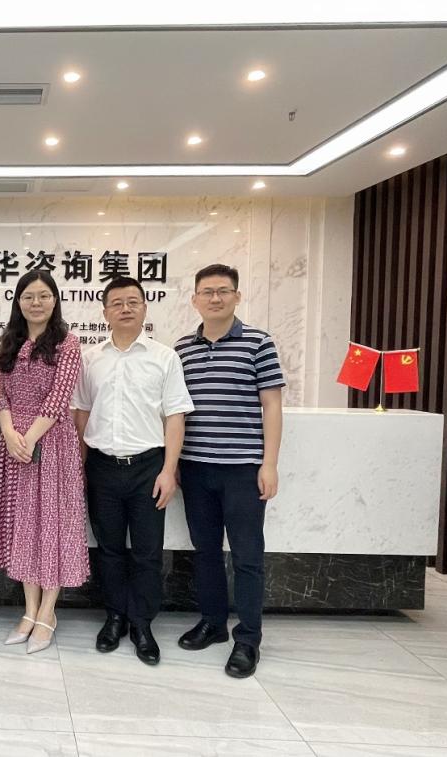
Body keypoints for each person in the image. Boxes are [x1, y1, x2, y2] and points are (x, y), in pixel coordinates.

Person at [73, 276, 194, 666]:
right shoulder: (90, 359)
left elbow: (175, 417)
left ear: (144, 308)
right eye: (117, 303)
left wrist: (169, 470)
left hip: (148, 468)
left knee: (146, 552)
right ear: (104, 312)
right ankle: (114, 617)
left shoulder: (164, 357)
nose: (125, 308)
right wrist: (81, 465)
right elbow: (81, 413)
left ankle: (142, 624)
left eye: (133, 302)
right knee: (108, 549)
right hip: (102, 468)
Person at [174, 263, 285, 678]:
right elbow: (176, 411)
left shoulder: (258, 343)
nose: (215, 298)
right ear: (195, 300)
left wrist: (268, 463)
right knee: (205, 552)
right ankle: (213, 623)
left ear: (237, 296)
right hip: (195, 468)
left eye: (223, 291)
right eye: (207, 292)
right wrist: (175, 463)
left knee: (247, 556)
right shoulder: (182, 349)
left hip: (243, 470)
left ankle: (248, 639)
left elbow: (272, 405)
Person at [0, 270, 88, 654]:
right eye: (29, 296)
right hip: (14, 444)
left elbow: (60, 398)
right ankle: (29, 610)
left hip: (52, 443)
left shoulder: (67, 343)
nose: (36, 303)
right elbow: (1, 393)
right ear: (18, 301)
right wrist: (10, 433)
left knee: (52, 525)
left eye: (44, 295)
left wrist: (28, 438)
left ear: (55, 300)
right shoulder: (11, 341)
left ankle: (48, 612)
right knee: (23, 526)